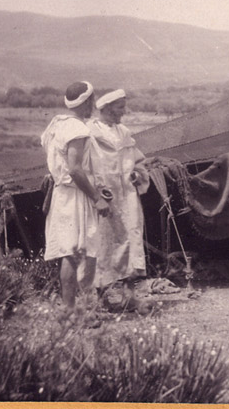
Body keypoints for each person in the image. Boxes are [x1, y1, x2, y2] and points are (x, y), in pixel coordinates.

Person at [40, 81, 109, 320]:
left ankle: (74, 309)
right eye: (92, 101)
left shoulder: (58, 125)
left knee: (74, 252)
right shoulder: (77, 130)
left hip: (65, 195)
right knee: (77, 252)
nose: (93, 105)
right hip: (75, 195)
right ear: (88, 102)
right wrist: (96, 197)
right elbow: (76, 170)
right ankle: (75, 310)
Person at [87, 89, 150, 305]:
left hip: (127, 196)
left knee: (130, 240)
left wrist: (136, 173)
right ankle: (100, 299)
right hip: (104, 198)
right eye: (119, 107)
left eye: (124, 107)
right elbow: (83, 167)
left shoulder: (124, 133)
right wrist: (96, 191)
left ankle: (129, 297)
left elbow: (139, 161)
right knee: (102, 244)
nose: (123, 112)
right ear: (105, 108)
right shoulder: (90, 134)